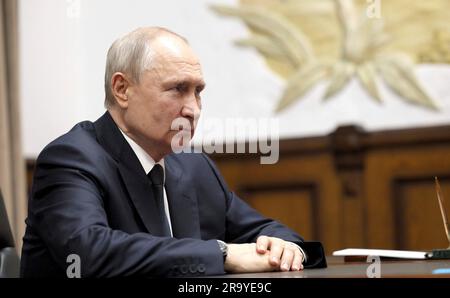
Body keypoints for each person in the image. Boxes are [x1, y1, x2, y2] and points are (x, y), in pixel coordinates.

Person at [20, 27, 326, 277]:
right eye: (178, 89)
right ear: (122, 89)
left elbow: (267, 230)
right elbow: (88, 253)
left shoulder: (194, 168)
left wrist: (287, 249)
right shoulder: (71, 158)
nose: (193, 109)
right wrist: (224, 253)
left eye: (198, 92)